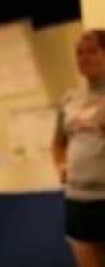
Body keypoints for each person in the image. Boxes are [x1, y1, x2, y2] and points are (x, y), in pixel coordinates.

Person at [53, 29, 105, 267]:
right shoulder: (70, 100)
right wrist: (61, 167)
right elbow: (58, 142)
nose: (84, 58)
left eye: (92, 51)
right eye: (79, 53)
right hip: (78, 199)